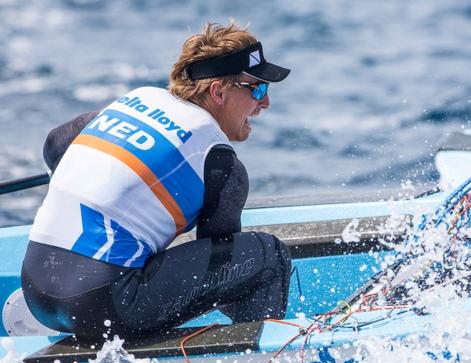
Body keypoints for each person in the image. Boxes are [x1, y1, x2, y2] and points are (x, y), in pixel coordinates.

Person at [21, 22, 292, 341]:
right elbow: (229, 269)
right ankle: (259, 353)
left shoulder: (136, 100)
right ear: (218, 91)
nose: (265, 103)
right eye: (258, 89)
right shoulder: (221, 162)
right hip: (106, 305)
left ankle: (67, 313)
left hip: (35, 290)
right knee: (268, 256)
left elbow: (55, 144)